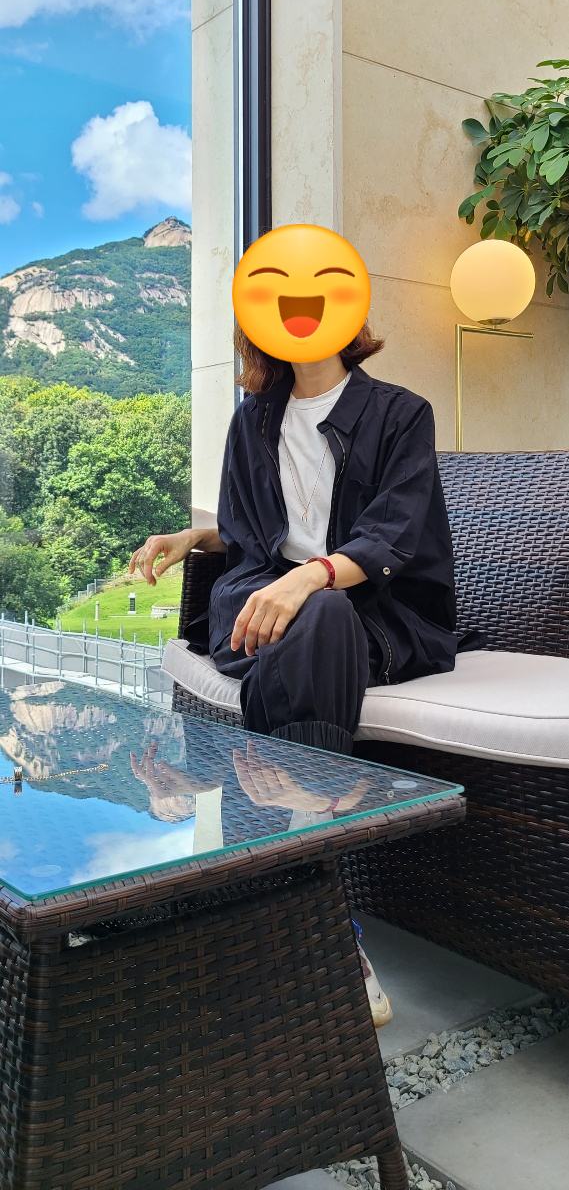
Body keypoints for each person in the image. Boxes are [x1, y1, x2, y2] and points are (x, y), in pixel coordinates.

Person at [130, 320, 483, 1025]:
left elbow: (393, 537)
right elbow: (255, 533)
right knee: (303, 622)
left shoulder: (400, 413)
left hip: (371, 615)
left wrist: (310, 579)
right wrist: (197, 535)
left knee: (322, 614)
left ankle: (275, 883)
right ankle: (319, 848)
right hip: (261, 607)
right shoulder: (252, 421)